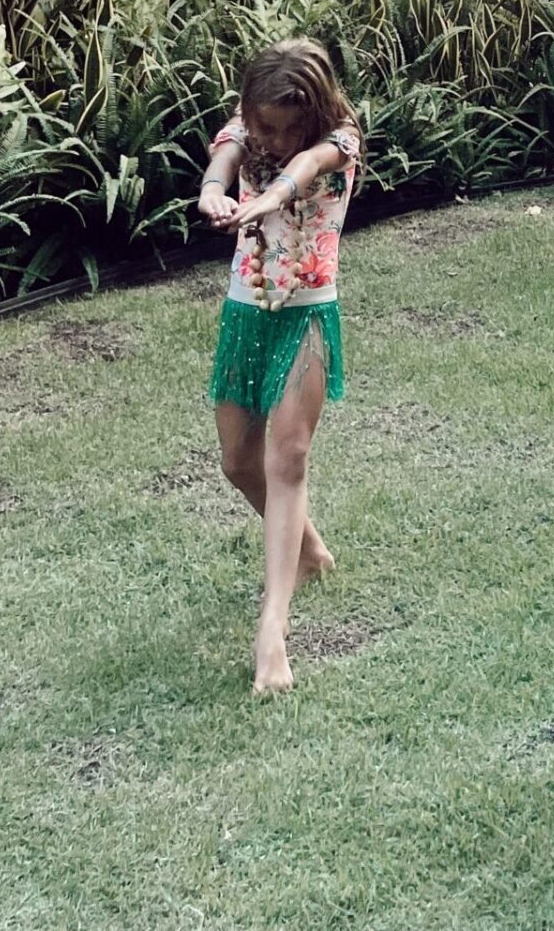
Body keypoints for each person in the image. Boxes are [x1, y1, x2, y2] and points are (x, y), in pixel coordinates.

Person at [198, 37, 362, 697]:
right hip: (246, 313)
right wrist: (215, 192)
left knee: (286, 459)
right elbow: (226, 154)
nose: (265, 138)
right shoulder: (246, 126)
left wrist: (271, 198)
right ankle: (310, 548)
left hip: (306, 316)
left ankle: (273, 632)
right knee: (238, 462)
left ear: (312, 113)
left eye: (280, 128)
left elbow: (310, 166)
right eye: (259, 121)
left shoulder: (340, 140)